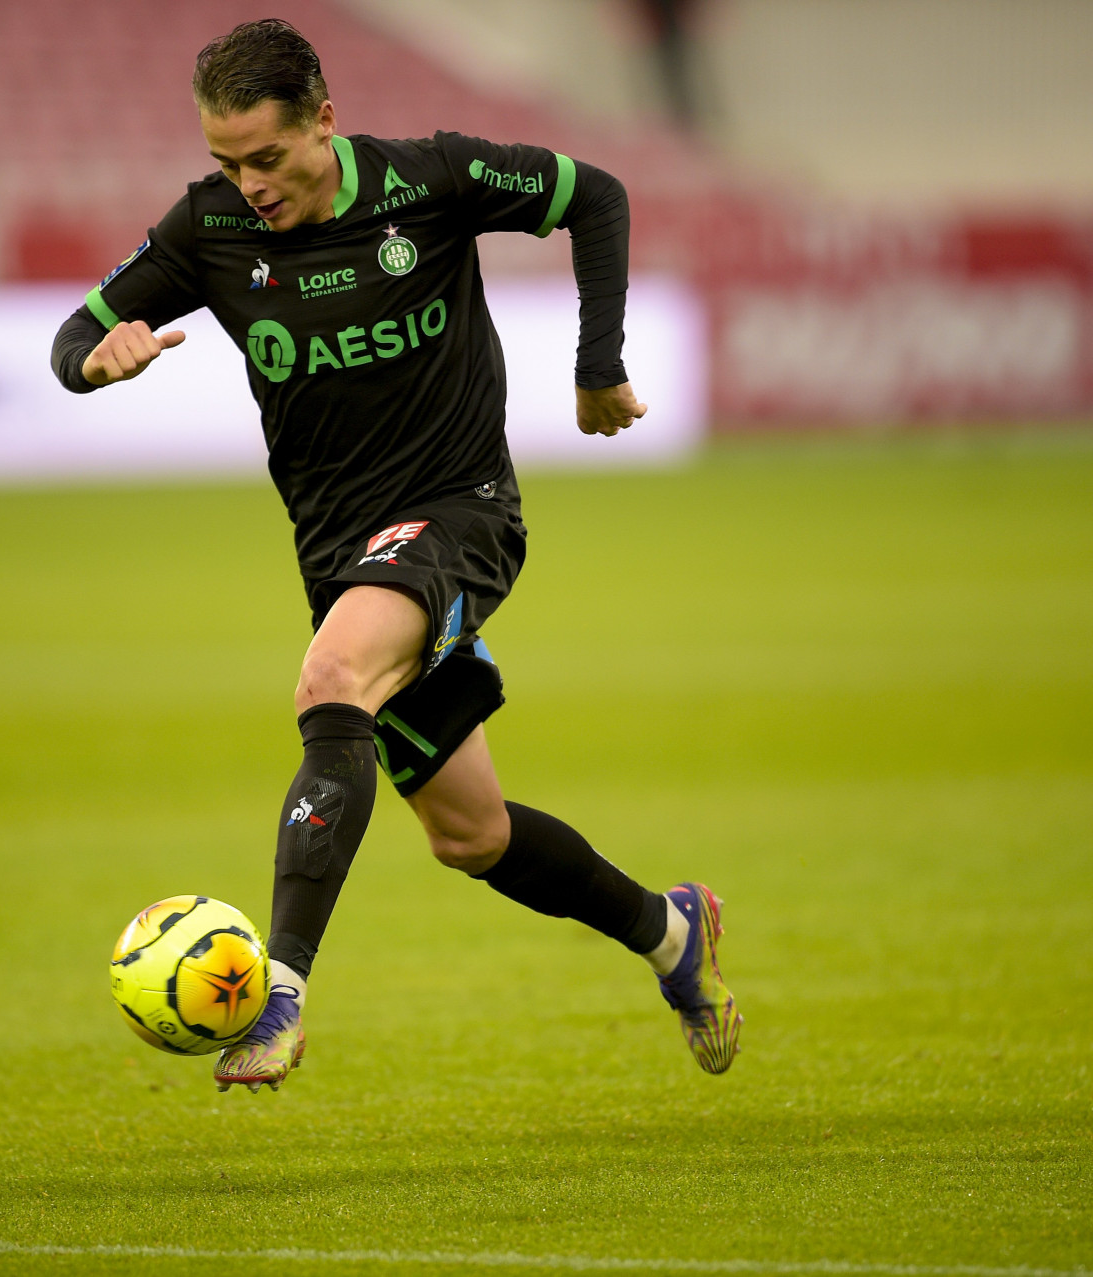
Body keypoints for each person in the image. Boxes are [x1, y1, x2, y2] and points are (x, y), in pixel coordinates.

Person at [51, 18, 739, 1091]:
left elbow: (595, 195)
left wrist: (598, 363)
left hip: (461, 514)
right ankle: (671, 932)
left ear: (323, 120)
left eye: (267, 157)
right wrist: (101, 363)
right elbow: (70, 340)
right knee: (472, 835)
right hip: (341, 556)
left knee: (332, 679)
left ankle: (279, 992)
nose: (249, 185)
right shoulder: (208, 228)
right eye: (227, 162)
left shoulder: (431, 181)